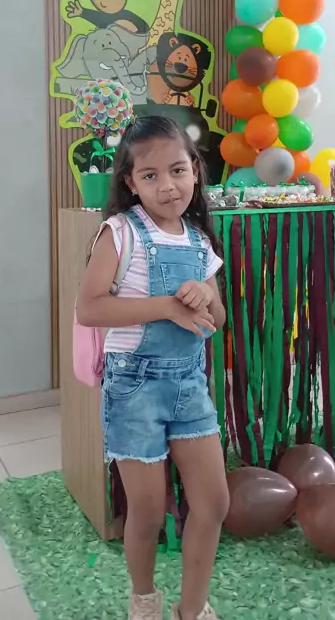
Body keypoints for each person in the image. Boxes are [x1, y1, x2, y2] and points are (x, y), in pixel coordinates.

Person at [77, 116, 229, 620]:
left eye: (178, 170)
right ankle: (144, 600)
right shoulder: (119, 232)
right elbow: (89, 309)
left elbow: (217, 318)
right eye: (150, 175)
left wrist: (205, 295)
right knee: (145, 512)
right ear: (130, 182)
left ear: (196, 171)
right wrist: (167, 307)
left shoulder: (199, 241)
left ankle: (192, 608)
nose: (168, 186)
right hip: (134, 387)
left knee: (213, 503)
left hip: (189, 384)